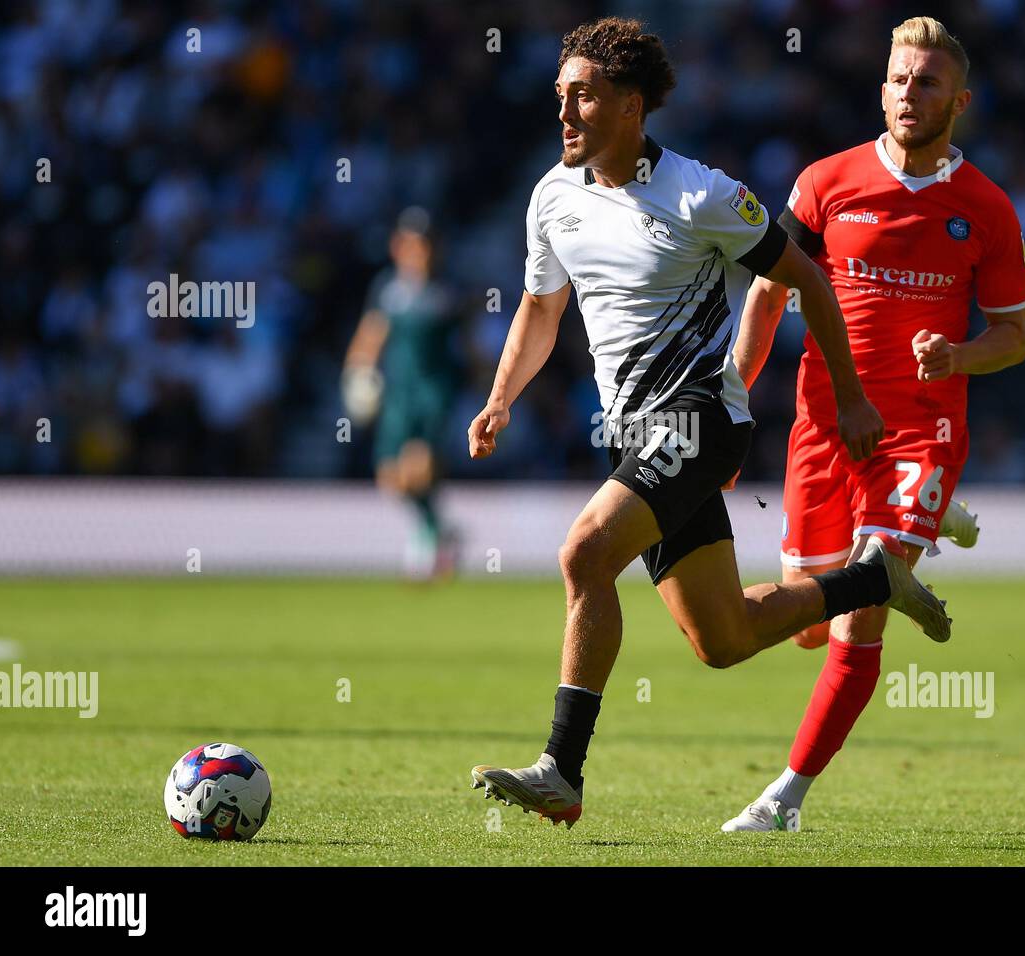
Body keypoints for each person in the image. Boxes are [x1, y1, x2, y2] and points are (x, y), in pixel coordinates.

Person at [466, 16, 950, 829]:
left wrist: (853, 396)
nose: (564, 112)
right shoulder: (554, 195)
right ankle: (873, 578)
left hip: (699, 419)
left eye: (581, 96)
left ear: (629, 104)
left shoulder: (702, 193)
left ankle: (562, 769)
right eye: (560, 96)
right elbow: (542, 308)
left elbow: (809, 281)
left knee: (584, 552)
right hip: (634, 433)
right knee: (725, 639)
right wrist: (501, 395)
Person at [722, 16, 1025, 832]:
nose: (907, 92)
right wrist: (733, 398)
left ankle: (783, 799)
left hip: (920, 432)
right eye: (898, 78)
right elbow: (768, 293)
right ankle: (925, 538)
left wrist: (960, 358)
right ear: (880, 87)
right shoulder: (825, 182)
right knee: (802, 624)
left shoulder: (987, 209)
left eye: (926, 82)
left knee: (858, 613)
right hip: (824, 431)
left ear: (958, 100)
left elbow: (1015, 334)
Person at [343, 207, 460, 578]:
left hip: (433, 391)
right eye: (411, 243)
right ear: (398, 246)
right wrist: (357, 373)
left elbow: (468, 347)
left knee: (418, 467)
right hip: (398, 392)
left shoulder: (446, 293)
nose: (418, 251)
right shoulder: (387, 289)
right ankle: (439, 528)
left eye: (424, 243)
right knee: (390, 476)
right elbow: (370, 335)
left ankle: (426, 540)